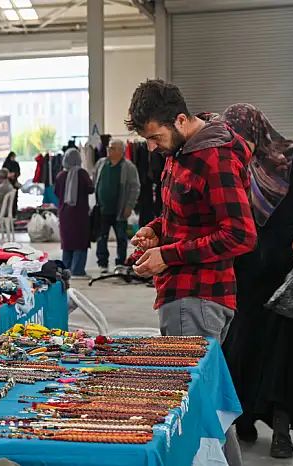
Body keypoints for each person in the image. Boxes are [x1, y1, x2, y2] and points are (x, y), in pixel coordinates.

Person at [125, 79, 257, 466]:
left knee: (194, 410)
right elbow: (186, 216)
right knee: (206, 403)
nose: (152, 147)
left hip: (197, 298)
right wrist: (156, 230)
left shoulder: (213, 158)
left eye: (155, 137)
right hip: (187, 295)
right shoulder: (182, 150)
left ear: (181, 120)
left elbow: (240, 235)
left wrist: (169, 255)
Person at [220, 104, 293, 458]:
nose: (238, 143)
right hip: (246, 271)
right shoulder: (231, 161)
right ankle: (244, 418)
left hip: (287, 269)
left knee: (285, 350)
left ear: (256, 130)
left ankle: (282, 427)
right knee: (243, 344)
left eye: (241, 136)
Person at [92, 139, 140, 274]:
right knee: (102, 237)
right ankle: (102, 263)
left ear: (120, 151)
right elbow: (95, 181)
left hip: (120, 209)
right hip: (102, 209)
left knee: (121, 238)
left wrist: (129, 206)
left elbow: (135, 188)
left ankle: (120, 263)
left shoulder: (128, 167)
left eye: (112, 148)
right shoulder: (101, 163)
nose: (109, 150)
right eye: (109, 147)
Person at [54, 148, 94, 277]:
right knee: (80, 242)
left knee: (67, 242)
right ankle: (78, 269)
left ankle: (66, 268)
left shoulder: (60, 176)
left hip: (64, 213)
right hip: (80, 214)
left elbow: (56, 192)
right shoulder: (82, 174)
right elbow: (90, 189)